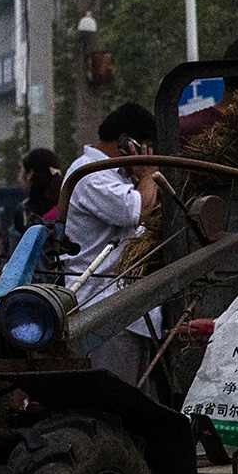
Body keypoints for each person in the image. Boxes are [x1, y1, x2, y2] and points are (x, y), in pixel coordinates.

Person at [61, 102, 163, 392]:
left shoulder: (114, 176)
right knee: (115, 402)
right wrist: (147, 175)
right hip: (104, 312)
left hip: (129, 313)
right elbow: (135, 210)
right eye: (148, 149)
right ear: (127, 143)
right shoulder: (91, 174)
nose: (152, 158)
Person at [19, 148, 62, 228]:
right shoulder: (64, 208)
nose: (19, 177)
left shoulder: (24, 213)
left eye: (21, 171)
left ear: (30, 174)